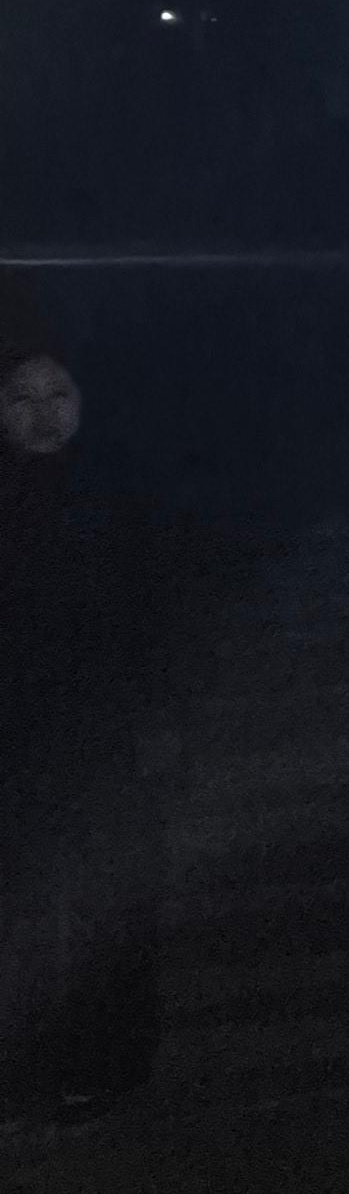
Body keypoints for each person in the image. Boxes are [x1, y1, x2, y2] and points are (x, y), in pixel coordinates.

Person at [0, 300, 167, 1126]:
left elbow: (160, 619)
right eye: (22, 397)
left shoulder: (123, 497)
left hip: (106, 740)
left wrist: (160, 721)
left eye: (57, 395)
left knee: (111, 905)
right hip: (16, 744)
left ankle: (110, 1060)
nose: (41, 414)